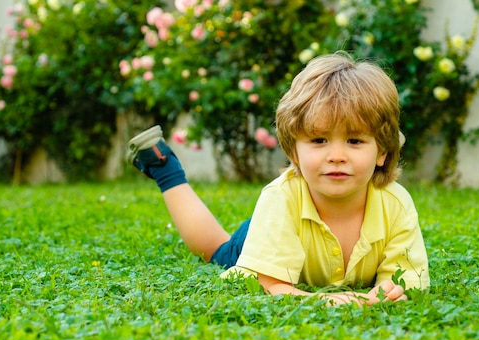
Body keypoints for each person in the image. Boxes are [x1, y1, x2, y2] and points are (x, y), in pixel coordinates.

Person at [127, 52, 430, 306]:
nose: (336, 155)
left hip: (290, 230)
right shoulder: (280, 199)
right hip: (272, 228)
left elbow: (403, 281)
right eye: (319, 140)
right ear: (293, 151)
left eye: (354, 141)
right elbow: (269, 286)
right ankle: (165, 168)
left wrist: (389, 291)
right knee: (215, 250)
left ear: (382, 152)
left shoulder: (396, 204)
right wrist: (339, 301)